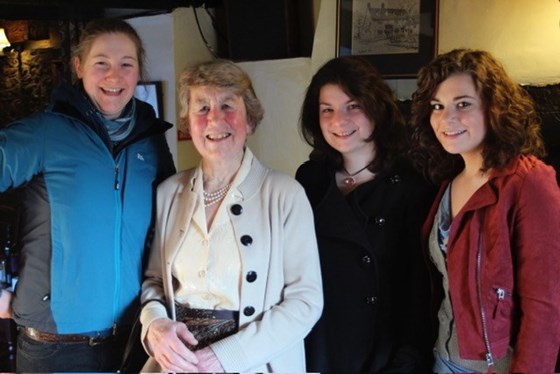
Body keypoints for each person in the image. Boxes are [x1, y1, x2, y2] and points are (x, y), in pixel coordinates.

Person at [0, 18, 176, 372]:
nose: (114, 76)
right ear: (79, 67)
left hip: (134, 339)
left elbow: (174, 221)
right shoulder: (45, 133)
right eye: (101, 64)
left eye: (126, 64)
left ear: (138, 71)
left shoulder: (150, 142)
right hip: (56, 348)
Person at [139, 59, 323, 373]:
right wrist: (155, 325)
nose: (214, 118)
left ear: (249, 120)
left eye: (227, 105)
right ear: (188, 123)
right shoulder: (168, 192)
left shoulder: (284, 194)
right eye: (201, 108)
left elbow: (305, 302)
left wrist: (226, 356)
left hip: (256, 363)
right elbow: (154, 282)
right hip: (177, 365)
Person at [409, 48, 560, 373]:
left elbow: (545, 305)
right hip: (444, 356)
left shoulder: (528, 181)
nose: (446, 118)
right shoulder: (448, 182)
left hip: (499, 366)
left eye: (462, 104)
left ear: (494, 107)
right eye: (437, 106)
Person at [295, 55, 436, 373]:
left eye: (352, 105)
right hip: (319, 345)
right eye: (326, 109)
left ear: (376, 108)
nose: (337, 121)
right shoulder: (310, 178)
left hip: (382, 352)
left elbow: (418, 288)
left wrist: (406, 361)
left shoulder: (411, 185)